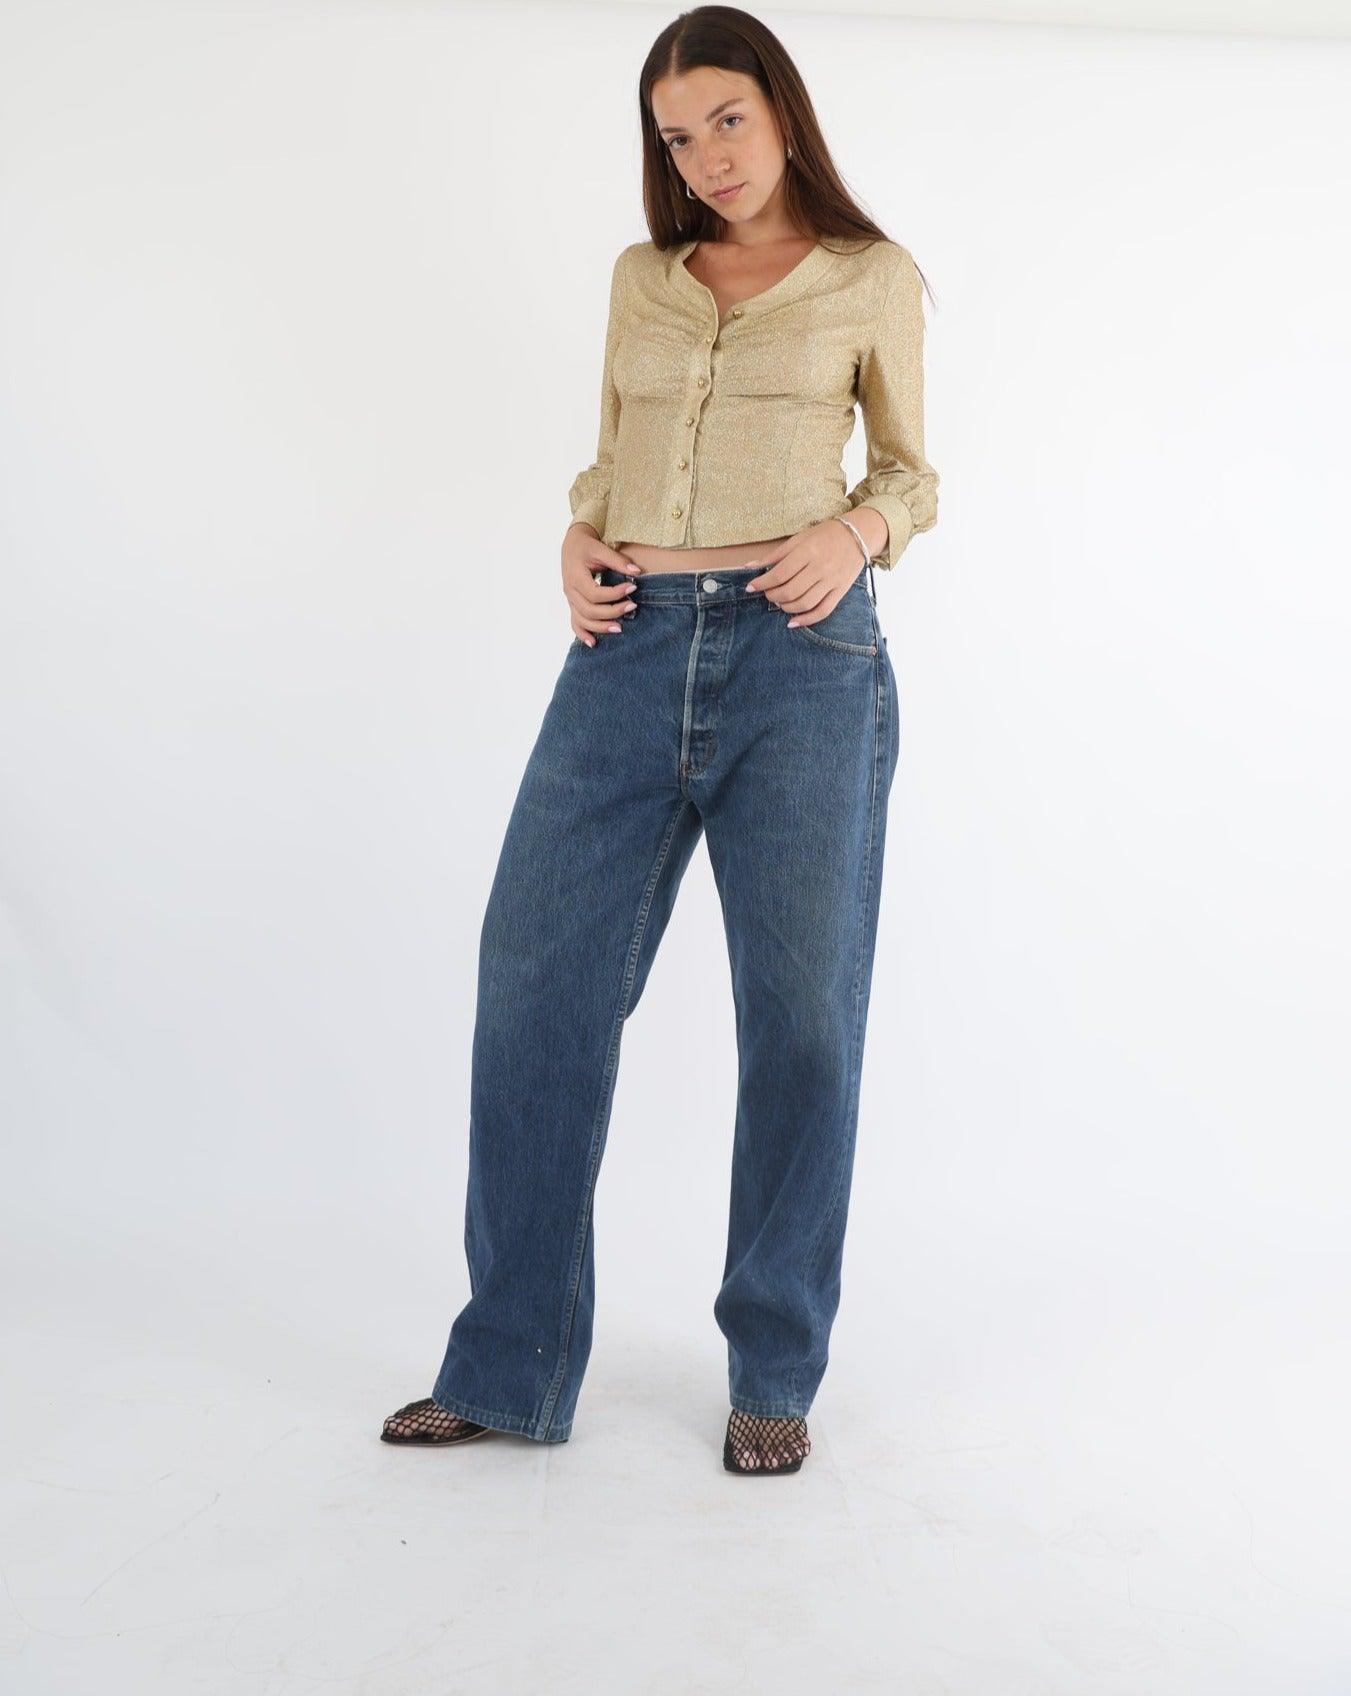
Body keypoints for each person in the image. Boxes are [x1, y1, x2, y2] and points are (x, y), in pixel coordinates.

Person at [381, 5, 938, 1475]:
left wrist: (857, 532)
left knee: (803, 1019)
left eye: (727, 122)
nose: (707, 157)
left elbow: (911, 472)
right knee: (534, 988)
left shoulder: (872, 276)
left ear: (783, 113)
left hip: (802, 658)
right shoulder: (644, 278)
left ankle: (775, 1367)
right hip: (622, 651)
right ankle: (509, 1364)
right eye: (678, 137)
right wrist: (577, 533)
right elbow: (610, 454)